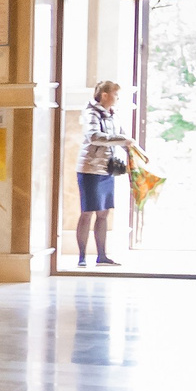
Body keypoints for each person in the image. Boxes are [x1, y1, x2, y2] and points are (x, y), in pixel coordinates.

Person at [72, 79, 149, 267]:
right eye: (115, 94)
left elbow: (123, 137)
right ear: (104, 95)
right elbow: (94, 136)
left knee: (104, 213)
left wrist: (139, 153)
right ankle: (82, 256)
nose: (117, 98)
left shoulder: (113, 115)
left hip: (106, 169)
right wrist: (123, 140)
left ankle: (102, 255)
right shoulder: (91, 113)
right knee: (87, 212)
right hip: (90, 169)